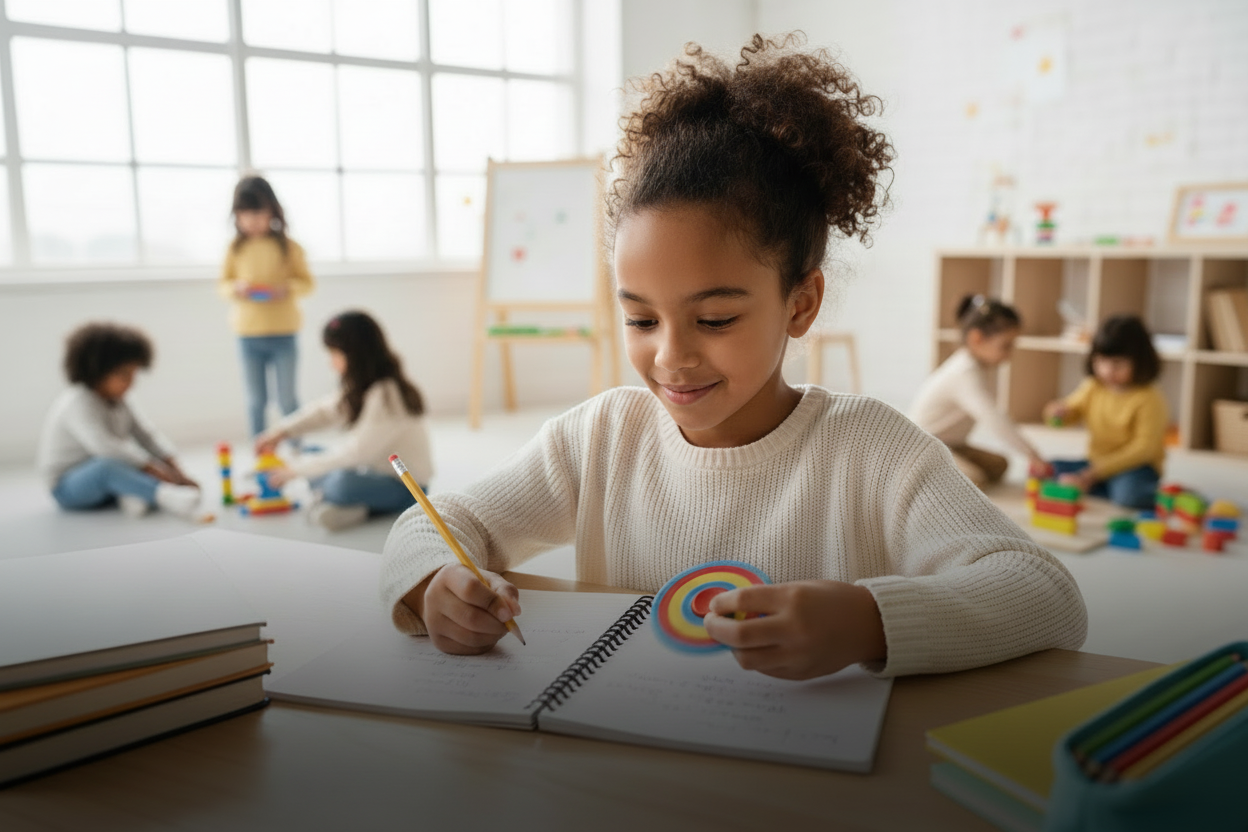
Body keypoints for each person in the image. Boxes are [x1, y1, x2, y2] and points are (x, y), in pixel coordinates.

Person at [380, 34, 1086, 679]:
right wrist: (433, 581)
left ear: (801, 304)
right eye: (641, 318)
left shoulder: (874, 451)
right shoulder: (598, 440)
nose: (671, 356)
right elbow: (433, 520)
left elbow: (1044, 592)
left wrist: (868, 621)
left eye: (715, 318)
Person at [255, 311, 434, 531]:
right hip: (370, 472)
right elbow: (324, 412)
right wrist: (281, 431)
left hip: (407, 487)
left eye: (334, 354)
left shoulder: (388, 395)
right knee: (310, 453)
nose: (331, 363)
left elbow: (354, 454)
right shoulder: (364, 385)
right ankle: (350, 505)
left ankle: (353, 505)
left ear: (355, 355)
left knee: (341, 483)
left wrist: (294, 471)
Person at [37, 323, 204, 519]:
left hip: (108, 477)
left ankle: (133, 493)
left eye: (134, 374)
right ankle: (163, 495)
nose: (131, 382)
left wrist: (175, 468)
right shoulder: (78, 401)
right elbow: (105, 446)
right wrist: (151, 469)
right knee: (109, 465)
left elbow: (145, 435)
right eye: (124, 375)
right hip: (67, 488)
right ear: (96, 371)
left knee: (125, 460)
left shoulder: (120, 400)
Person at [910, 295, 1050, 488]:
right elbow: (994, 419)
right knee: (974, 481)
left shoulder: (976, 367)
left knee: (1000, 465)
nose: (1009, 355)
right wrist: (1032, 454)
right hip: (924, 449)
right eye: (1005, 346)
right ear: (977, 339)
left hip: (952, 446)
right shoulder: (963, 372)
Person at [218, 175, 315, 438]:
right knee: (255, 401)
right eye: (245, 214)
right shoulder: (235, 249)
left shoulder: (289, 247)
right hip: (248, 335)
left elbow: (307, 283)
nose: (252, 220)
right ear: (236, 215)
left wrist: (285, 290)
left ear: (272, 210)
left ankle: (297, 448)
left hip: (284, 332)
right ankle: (259, 452)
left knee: (288, 400)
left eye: (258, 212)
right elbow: (223, 285)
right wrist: (236, 288)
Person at [1042, 315, 1167, 509]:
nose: (1108, 371)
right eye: (1101, 362)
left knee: (1130, 497)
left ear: (1140, 361)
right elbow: (1071, 411)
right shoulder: (1093, 386)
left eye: (1118, 364)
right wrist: (1057, 412)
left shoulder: (1149, 398)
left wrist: (1092, 474)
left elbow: (1144, 449)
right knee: (1047, 470)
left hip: (1135, 467)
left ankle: (1152, 492)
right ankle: (1100, 485)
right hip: (1095, 463)